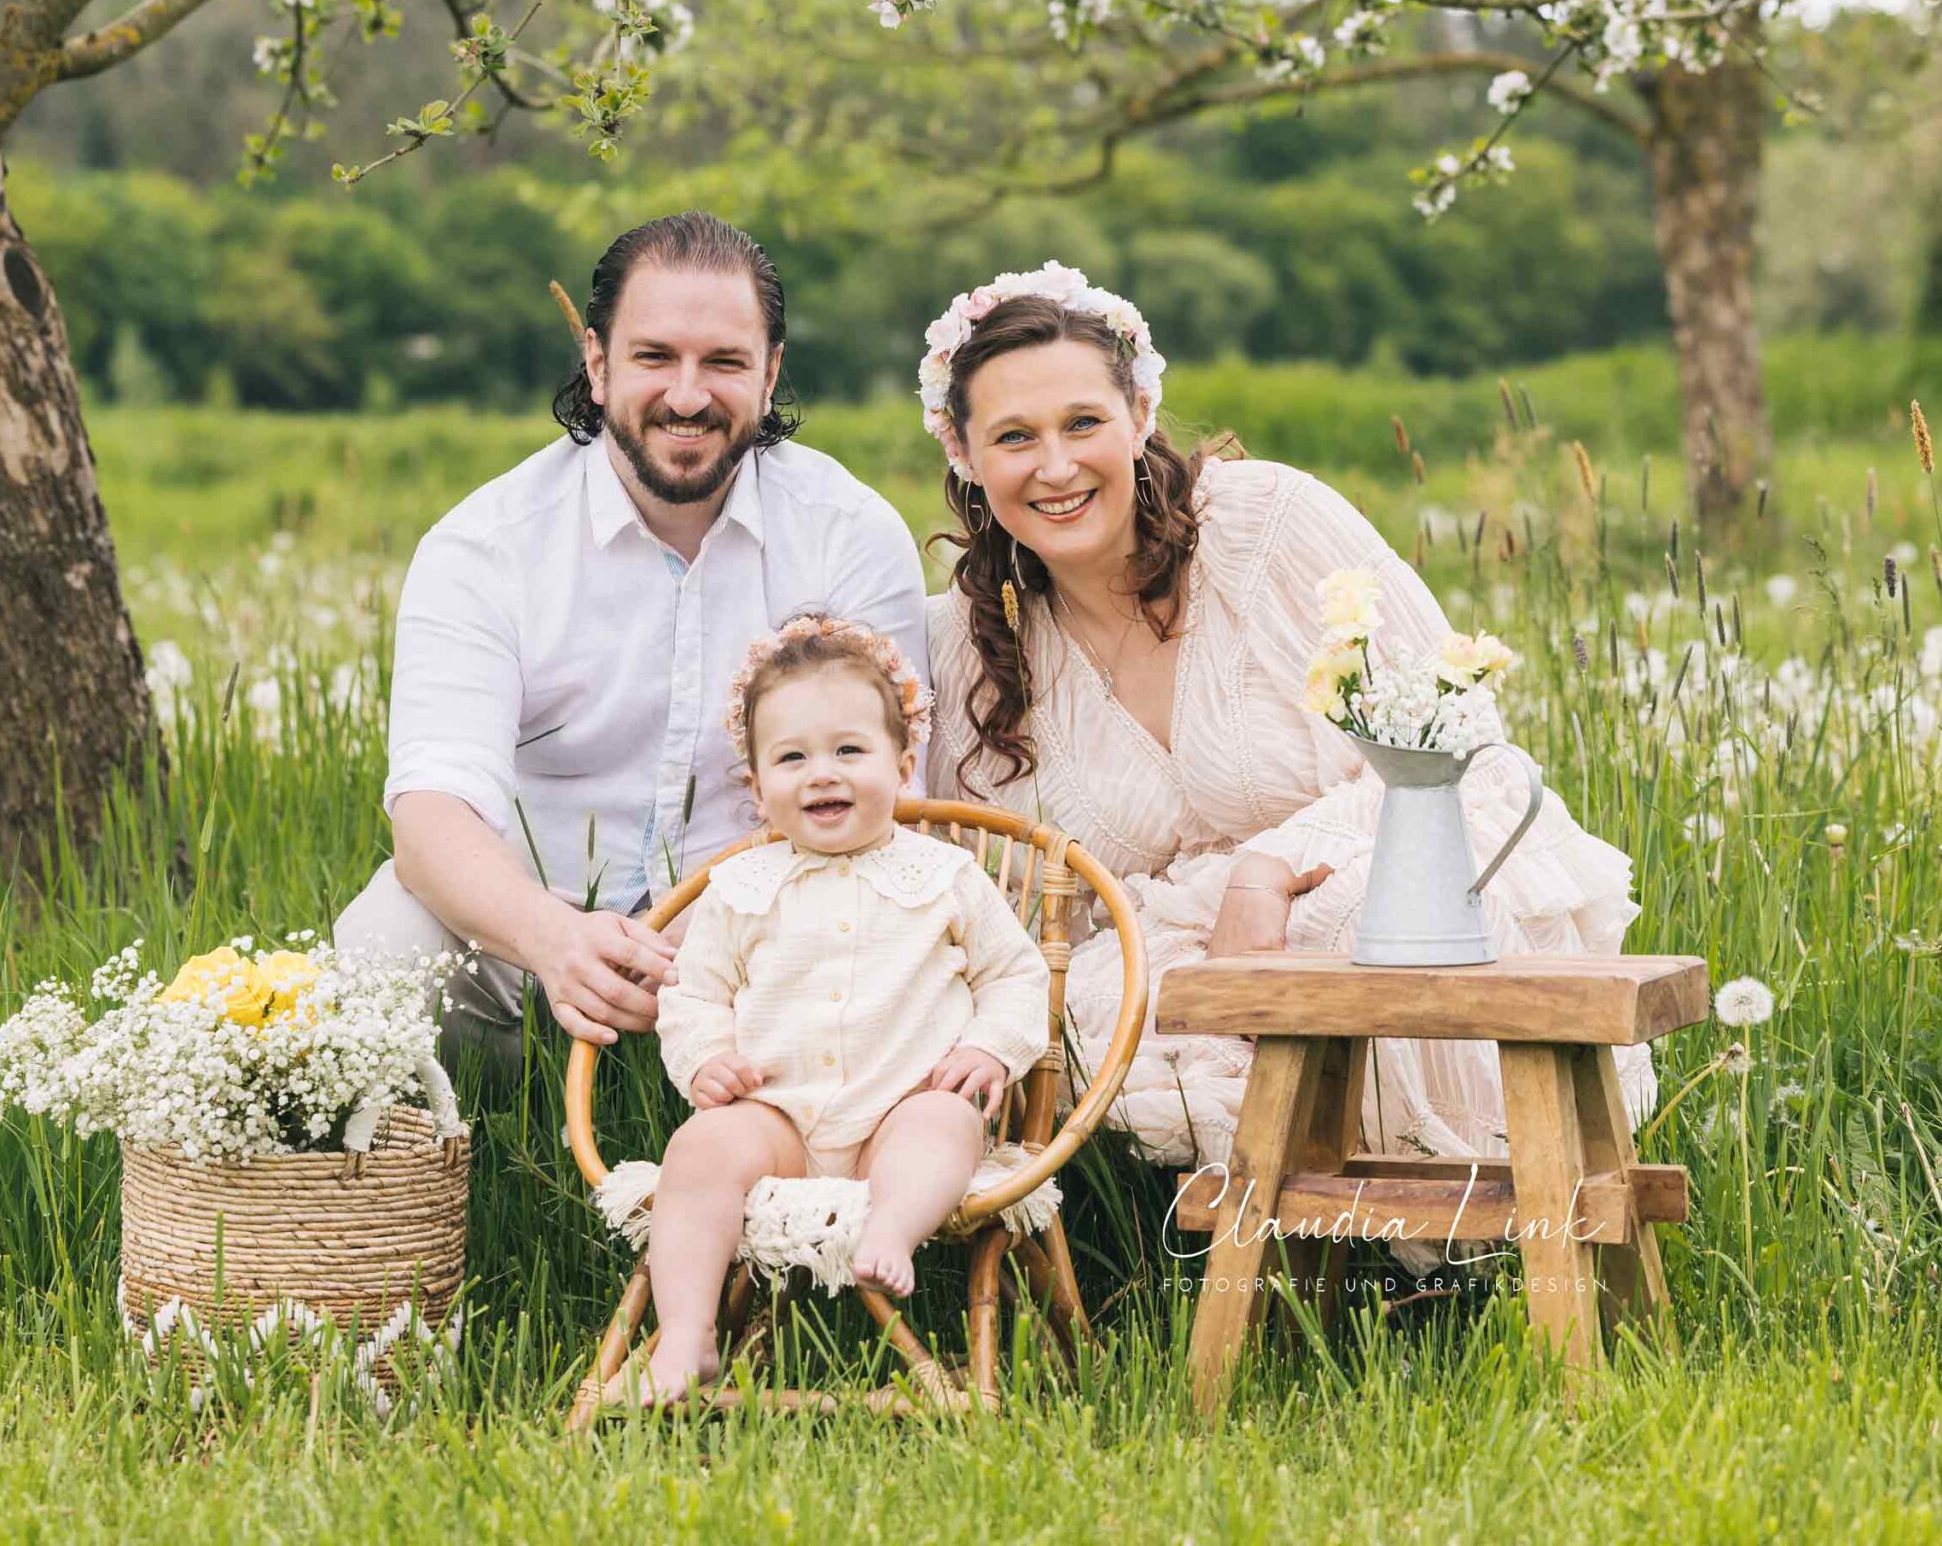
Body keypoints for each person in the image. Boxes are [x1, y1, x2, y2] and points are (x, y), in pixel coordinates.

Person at [916, 263, 1652, 1274]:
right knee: (1105, 1003)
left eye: (1082, 422)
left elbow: (1454, 734)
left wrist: (1271, 866)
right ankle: (1277, 1268)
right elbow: (992, 892)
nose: (1055, 467)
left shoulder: (1262, 526)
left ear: (1140, 413)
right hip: (1169, 949)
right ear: (961, 451)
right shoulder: (965, 643)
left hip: (1404, 851)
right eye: (1013, 437)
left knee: (1335, 929)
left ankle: (1460, 1248)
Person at [334, 213, 928, 1075]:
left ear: (771, 372)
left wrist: (733, 915)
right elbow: (430, 821)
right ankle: (428, 1182)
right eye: (655, 357)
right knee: (378, 946)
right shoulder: (484, 546)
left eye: (723, 362)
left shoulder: (849, 532)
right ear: (597, 361)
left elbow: (899, 790)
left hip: (780, 929)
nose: (688, 395)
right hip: (529, 934)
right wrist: (555, 939)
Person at [641, 614, 1049, 1404]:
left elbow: (1017, 975)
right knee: (697, 1151)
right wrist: (706, 1059)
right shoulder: (741, 890)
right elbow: (693, 995)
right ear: (758, 788)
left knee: (945, 1122)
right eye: (792, 757)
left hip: (902, 1103)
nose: (821, 773)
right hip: (779, 1121)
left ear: (902, 766)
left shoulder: (944, 875)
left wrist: (993, 1049)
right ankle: (687, 1333)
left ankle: (891, 1224)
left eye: (849, 751)